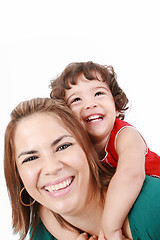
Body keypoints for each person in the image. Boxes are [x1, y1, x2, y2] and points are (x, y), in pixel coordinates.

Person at [4, 97, 160, 240]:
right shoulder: (41, 232)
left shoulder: (154, 205)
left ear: (88, 148)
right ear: (18, 175)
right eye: (31, 158)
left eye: (63, 146)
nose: (51, 168)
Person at [49, 61, 160, 239]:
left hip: (148, 198)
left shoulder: (125, 135)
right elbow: (47, 201)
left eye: (99, 93)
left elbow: (130, 175)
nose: (90, 104)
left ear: (116, 107)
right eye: (76, 99)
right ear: (67, 117)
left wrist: (111, 229)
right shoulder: (75, 148)